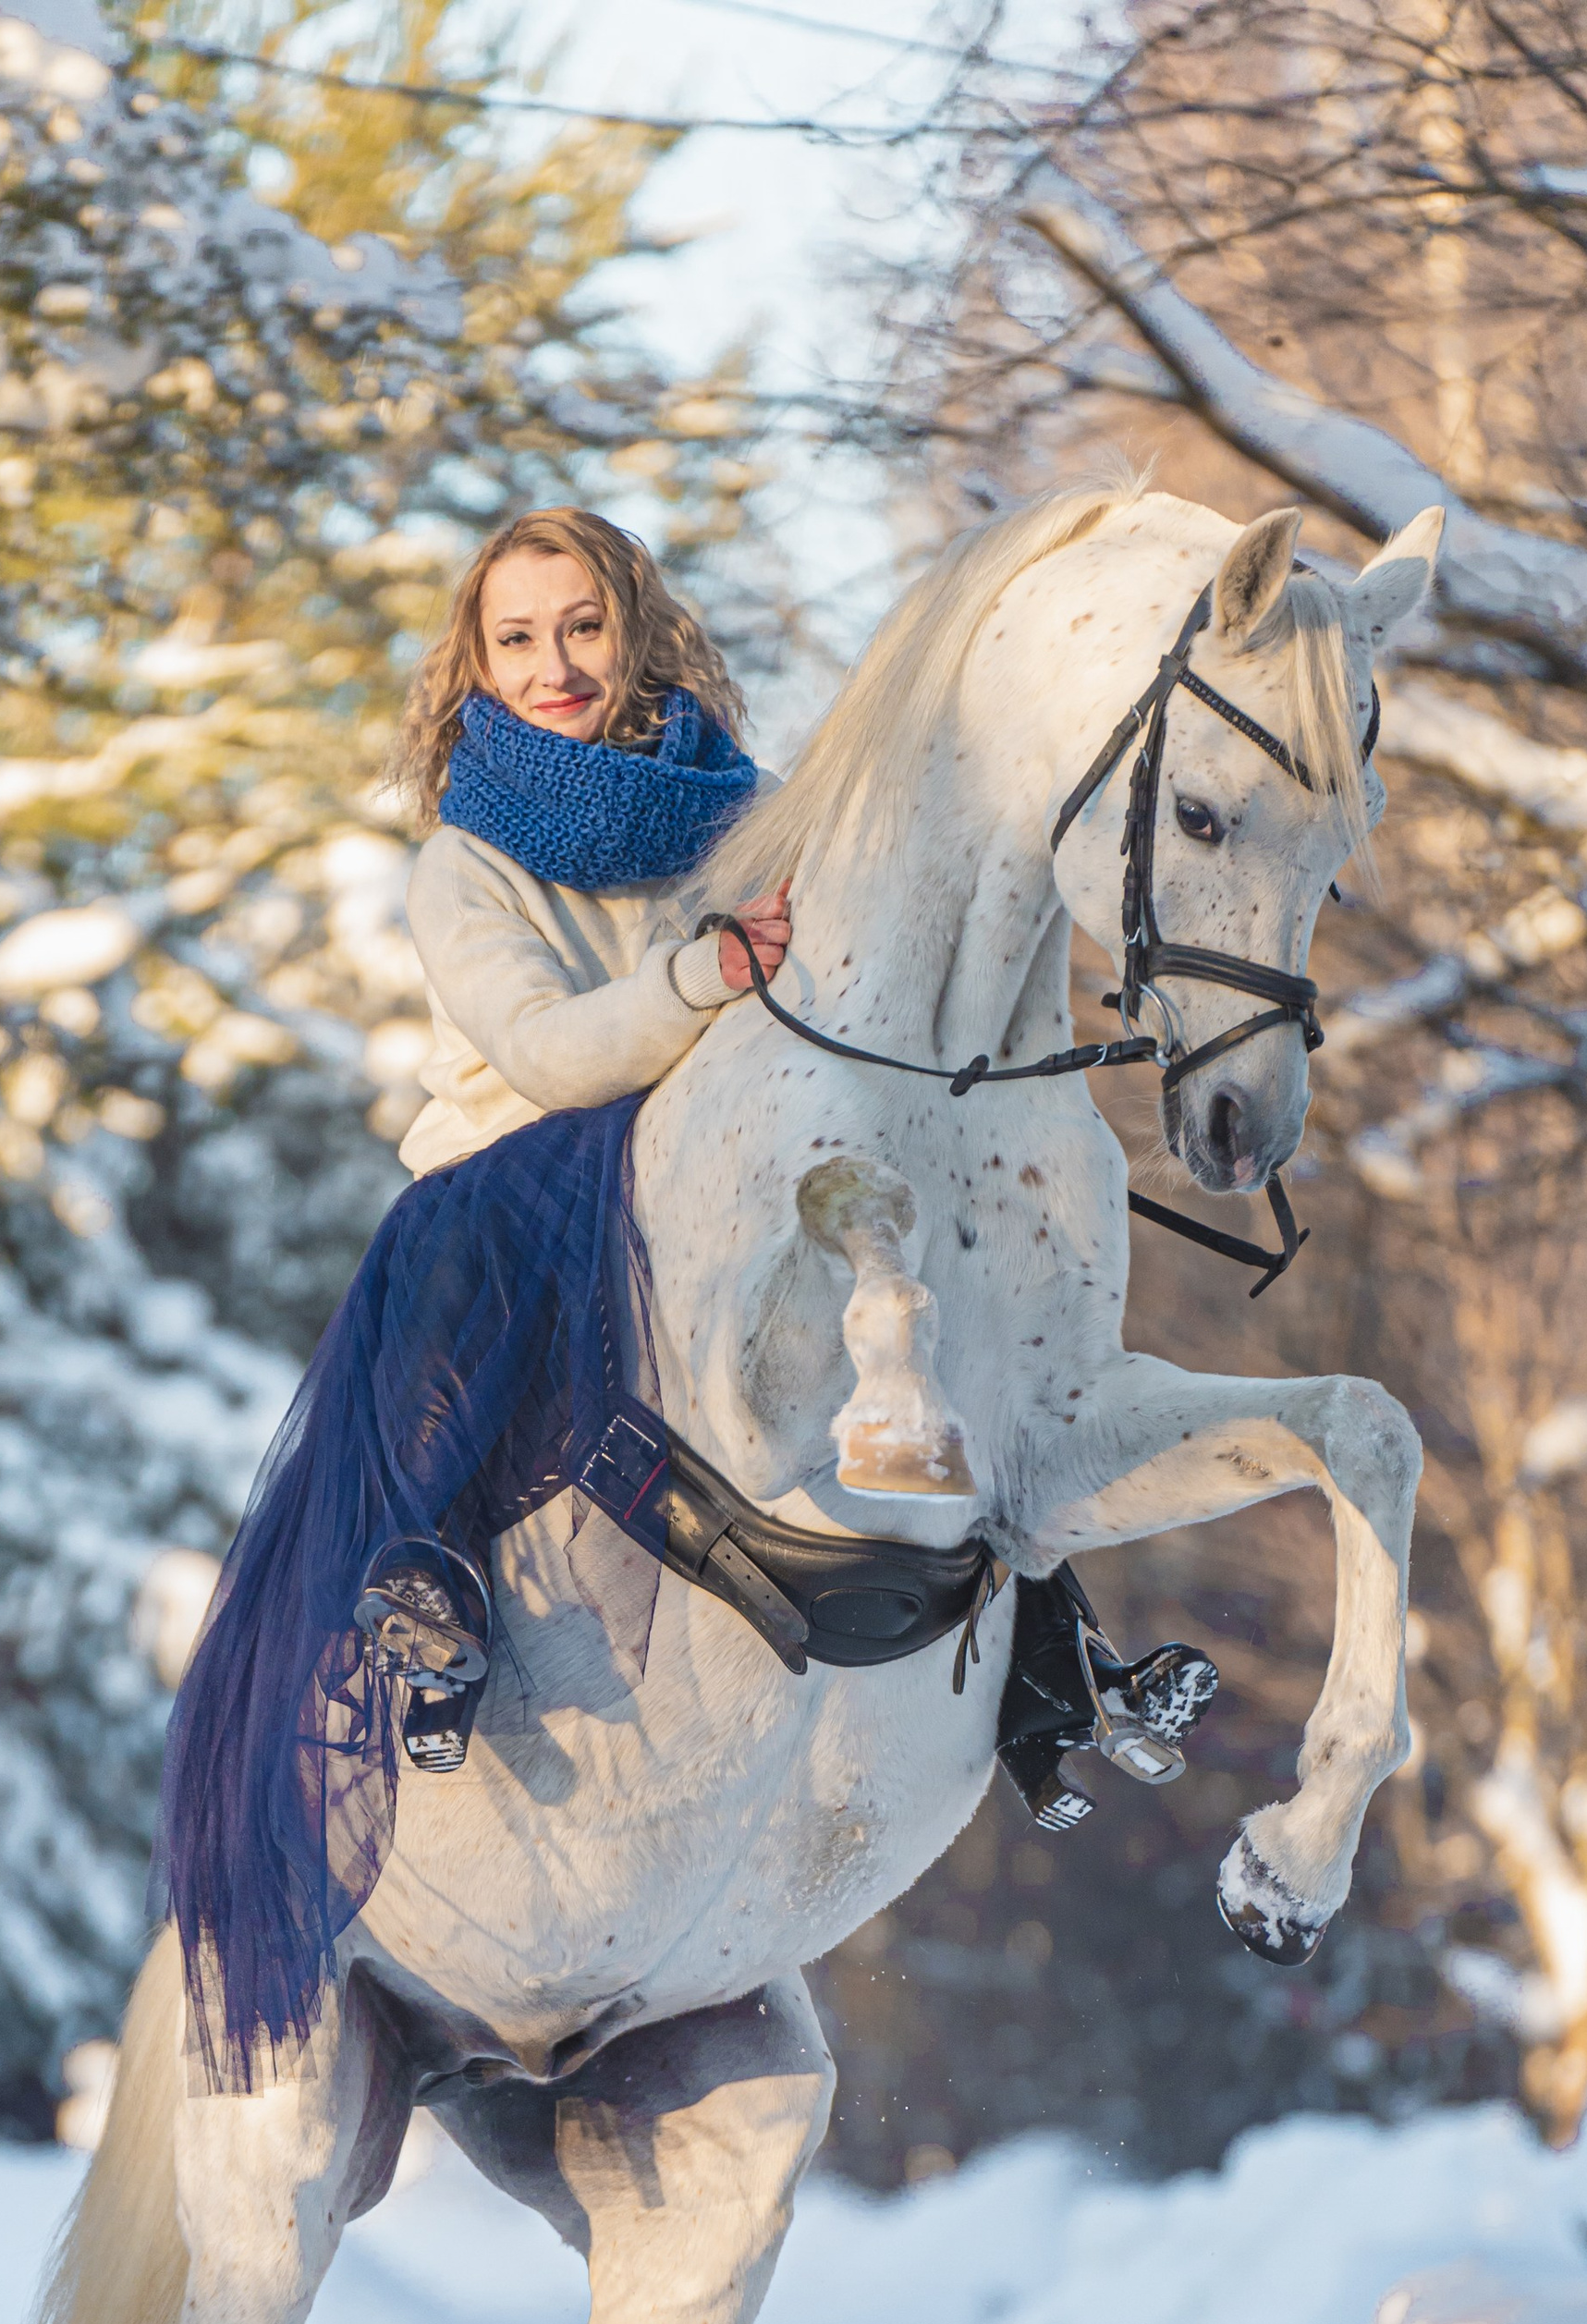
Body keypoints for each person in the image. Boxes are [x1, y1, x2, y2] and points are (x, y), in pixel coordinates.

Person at [359, 507, 1215, 1821]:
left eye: (583, 626)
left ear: (638, 633)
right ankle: (429, 1573)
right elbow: (541, 1052)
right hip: (535, 1160)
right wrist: (706, 971)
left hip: (732, 1151)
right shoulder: (461, 865)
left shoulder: (754, 813)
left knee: (923, 1254)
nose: (555, 665)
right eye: (516, 639)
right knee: (452, 1237)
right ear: (474, 666)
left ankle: (1048, 1650)